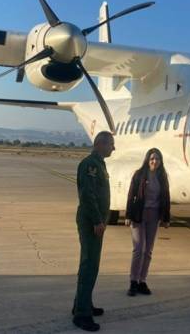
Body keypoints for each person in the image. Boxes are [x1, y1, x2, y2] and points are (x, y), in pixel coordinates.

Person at [72, 131, 115, 332]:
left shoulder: (99, 164)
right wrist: (98, 221)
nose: (113, 149)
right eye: (110, 145)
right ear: (100, 144)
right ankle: (82, 314)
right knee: (89, 265)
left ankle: (82, 304)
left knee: (90, 265)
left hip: (95, 221)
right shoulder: (90, 164)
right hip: (91, 221)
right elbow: (87, 195)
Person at [124, 148, 171, 296]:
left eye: (157, 159)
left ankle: (142, 281)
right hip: (139, 215)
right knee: (139, 249)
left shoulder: (162, 177)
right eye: (152, 158)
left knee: (148, 251)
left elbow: (166, 198)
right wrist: (128, 215)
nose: (154, 161)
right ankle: (133, 281)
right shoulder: (139, 175)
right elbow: (131, 195)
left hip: (154, 215)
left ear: (160, 161)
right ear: (147, 160)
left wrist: (166, 218)